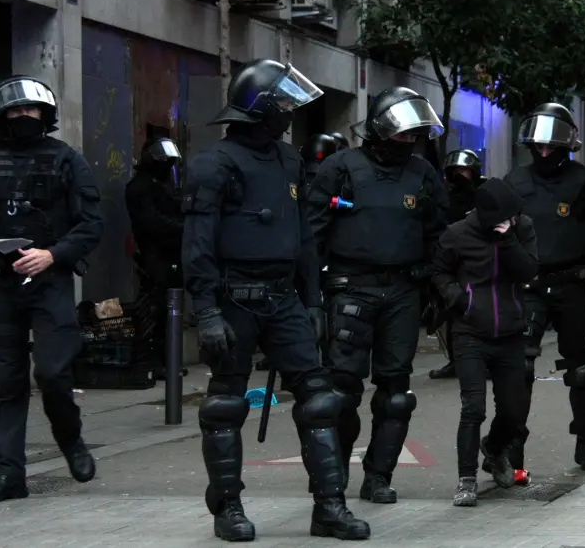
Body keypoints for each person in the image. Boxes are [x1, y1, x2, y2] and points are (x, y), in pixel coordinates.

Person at [181, 58, 369, 542]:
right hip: (234, 298)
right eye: (282, 103)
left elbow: (304, 235)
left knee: (320, 399)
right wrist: (207, 311)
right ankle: (227, 508)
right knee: (224, 405)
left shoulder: (289, 160)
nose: (288, 112)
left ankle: (329, 507)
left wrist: (312, 301)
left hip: (284, 298)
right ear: (260, 109)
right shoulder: (213, 164)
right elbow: (197, 244)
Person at [0, 76, 104, 503]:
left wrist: (52, 255)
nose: (22, 116)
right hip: (2, 283)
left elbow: (91, 225)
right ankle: (9, 474)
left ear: (44, 114)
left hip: (50, 282)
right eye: (14, 111)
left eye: (29, 109)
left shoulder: (67, 160)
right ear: (1, 118)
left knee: (53, 372)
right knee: (6, 381)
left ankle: (71, 441)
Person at [306, 86, 450, 505]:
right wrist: (308, 297)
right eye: (403, 133)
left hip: (403, 290)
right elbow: (312, 235)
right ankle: (333, 477)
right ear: (379, 130)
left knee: (397, 394)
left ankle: (379, 477)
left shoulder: (422, 173)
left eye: (415, 135)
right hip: (350, 288)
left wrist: (436, 284)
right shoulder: (340, 168)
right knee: (342, 390)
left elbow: (439, 232)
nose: (409, 141)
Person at [502, 102, 585, 475]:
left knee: (583, 370)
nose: (543, 152)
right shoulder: (514, 182)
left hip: (572, 284)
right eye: (538, 145)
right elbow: (496, 237)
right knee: (519, 366)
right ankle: (512, 445)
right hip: (528, 286)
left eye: (551, 146)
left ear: (566, 145)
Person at [430, 178, 539, 506]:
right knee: (473, 407)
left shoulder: (521, 228)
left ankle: (493, 450)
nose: (513, 219)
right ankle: (466, 479)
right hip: (470, 332)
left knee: (513, 411)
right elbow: (439, 271)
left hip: (510, 332)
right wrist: (458, 299)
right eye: (507, 216)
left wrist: (508, 241)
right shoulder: (458, 233)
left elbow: (528, 270)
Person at [125, 136, 185, 378]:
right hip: (154, 255)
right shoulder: (140, 187)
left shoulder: (163, 185)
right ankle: (153, 361)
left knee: (171, 310)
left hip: (172, 254)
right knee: (155, 310)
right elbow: (152, 222)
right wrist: (184, 228)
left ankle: (168, 359)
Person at [429, 148, 485, 381]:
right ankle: (455, 360)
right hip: (449, 260)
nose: (459, 176)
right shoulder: (443, 196)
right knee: (448, 313)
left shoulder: (483, 193)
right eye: (455, 171)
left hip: (477, 260)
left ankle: (483, 362)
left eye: (464, 171)